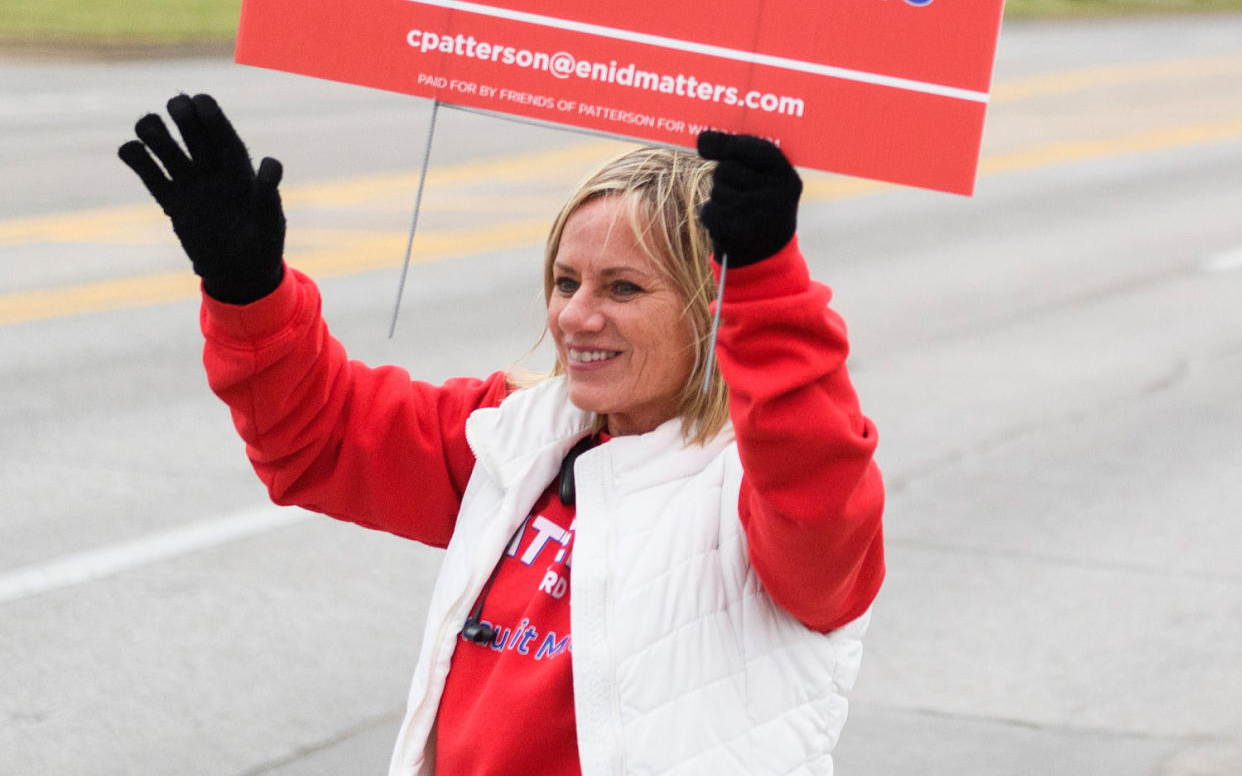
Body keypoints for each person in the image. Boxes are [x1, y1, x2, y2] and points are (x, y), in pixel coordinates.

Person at [118, 94, 884, 776]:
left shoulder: (754, 487)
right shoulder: (517, 432)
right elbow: (319, 438)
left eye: (623, 286)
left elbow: (817, 487)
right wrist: (247, 286)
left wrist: (767, 281)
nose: (576, 316)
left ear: (709, 305)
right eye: (565, 280)